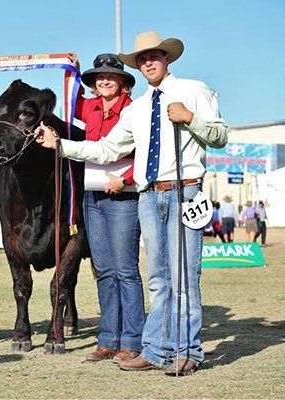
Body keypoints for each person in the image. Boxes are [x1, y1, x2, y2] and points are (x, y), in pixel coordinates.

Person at [36, 32, 228, 375]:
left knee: (184, 274)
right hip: (148, 195)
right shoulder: (138, 109)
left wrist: (190, 118)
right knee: (157, 277)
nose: (148, 62)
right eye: (142, 59)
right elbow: (107, 149)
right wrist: (61, 145)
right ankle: (155, 349)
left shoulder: (193, 91)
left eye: (154, 56)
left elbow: (220, 136)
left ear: (167, 58)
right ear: (137, 66)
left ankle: (188, 350)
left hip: (184, 190)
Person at [68, 53, 144, 364]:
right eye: (99, 76)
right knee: (105, 271)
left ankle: (133, 339)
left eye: (111, 75)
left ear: (124, 82)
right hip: (93, 197)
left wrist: (125, 179)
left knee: (126, 270)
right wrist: (70, 69)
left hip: (124, 197)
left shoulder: (135, 110)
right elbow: (65, 97)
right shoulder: (88, 106)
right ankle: (108, 338)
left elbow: (149, 151)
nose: (104, 80)